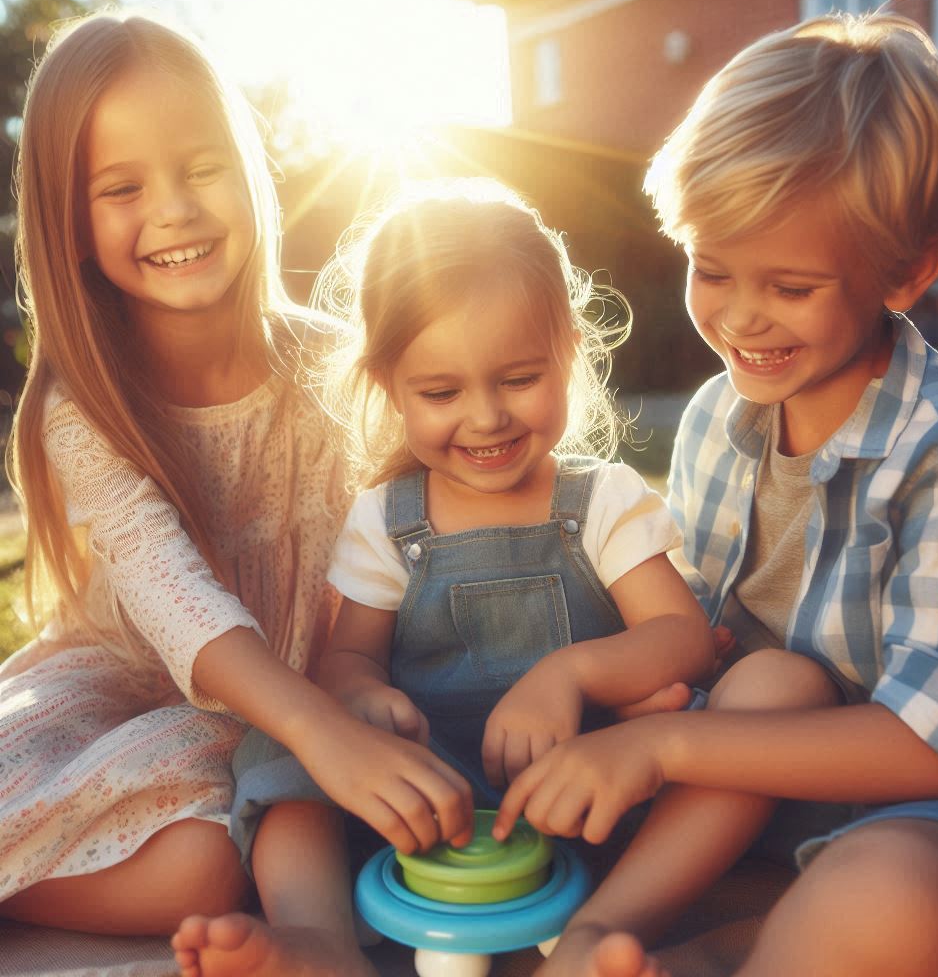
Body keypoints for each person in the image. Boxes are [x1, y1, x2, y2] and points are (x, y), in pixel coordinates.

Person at [494, 11, 938, 977]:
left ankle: (717, 951)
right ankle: (598, 945)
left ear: (908, 269)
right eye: (712, 269)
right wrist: (637, 691)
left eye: (790, 285)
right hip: (745, 797)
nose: (739, 317)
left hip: (920, 812)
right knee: (774, 681)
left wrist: (668, 749)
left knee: (893, 903)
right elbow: (709, 647)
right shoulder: (716, 419)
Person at [0, 9, 476, 977]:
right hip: (133, 691)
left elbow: (437, 523)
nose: (172, 209)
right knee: (203, 859)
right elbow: (175, 601)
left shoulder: (341, 367)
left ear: (250, 172)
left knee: (221, 842)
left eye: (202, 167)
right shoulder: (81, 405)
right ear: (70, 225)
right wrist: (320, 731)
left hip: (300, 693)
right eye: (122, 187)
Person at [171, 177, 736, 977]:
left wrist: (570, 672)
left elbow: (682, 639)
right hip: (430, 792)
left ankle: (622, 920)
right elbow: (348, 661)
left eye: (518, 379)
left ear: (569, 353)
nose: (486, 417)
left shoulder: (601, 501)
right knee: (278, 743)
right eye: (441, 392)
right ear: (389, 387)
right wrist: (364, 698)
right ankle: (317, 939)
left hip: (588, 787)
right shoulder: (386, 520)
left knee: (716, 742)